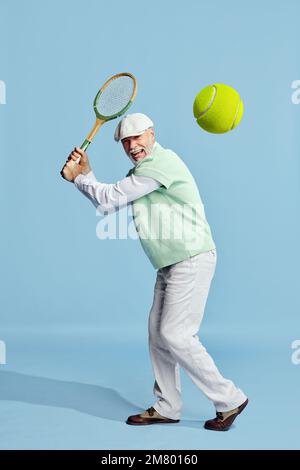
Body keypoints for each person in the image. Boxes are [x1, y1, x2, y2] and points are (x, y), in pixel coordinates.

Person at [60, 113, 248, 431]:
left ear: (152, 134)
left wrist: (79, 179)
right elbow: (109, 196)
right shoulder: (143, 170)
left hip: (191, 258)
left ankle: (229, 399)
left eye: (138, 138)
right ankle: (167, 406)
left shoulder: (161, 164)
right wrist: (87, 173)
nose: (132, 146)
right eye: (125, 142)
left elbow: (109, 200)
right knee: (158, 335)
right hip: (170, 263)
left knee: (176, 334)